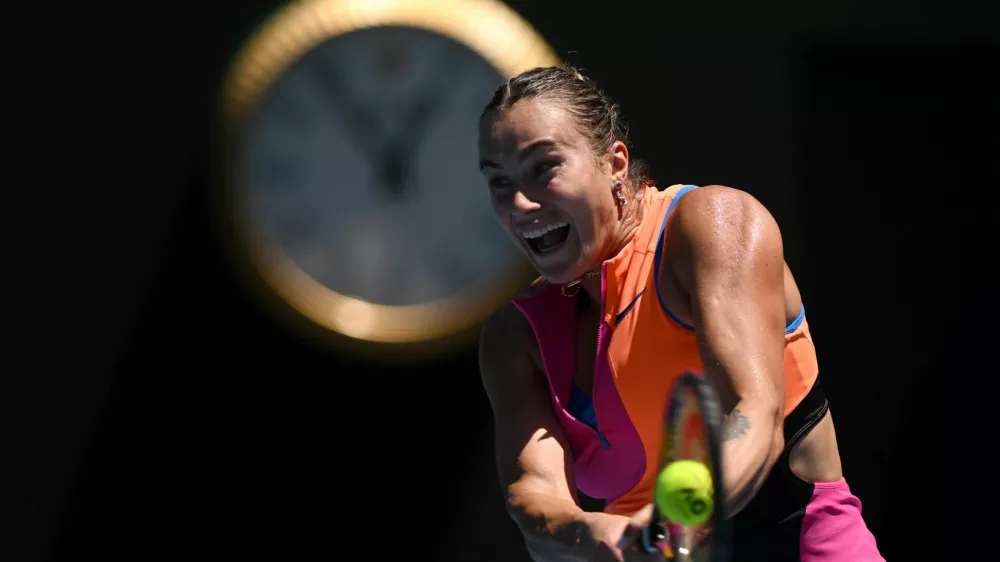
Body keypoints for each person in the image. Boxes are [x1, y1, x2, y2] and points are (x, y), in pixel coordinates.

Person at [476, 65, 884, 562]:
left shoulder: (712, 226)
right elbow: (533, 497)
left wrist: (682, 511)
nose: (520, 203)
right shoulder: (514, 339)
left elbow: (754, 415)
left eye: (544, 167)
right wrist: (602, 534)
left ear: (615, 164)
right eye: (499, 182)